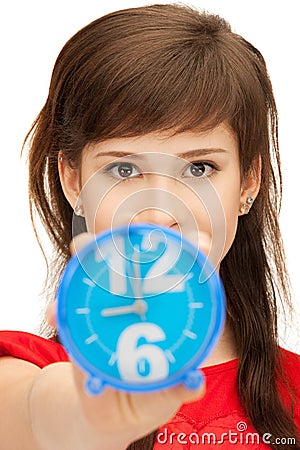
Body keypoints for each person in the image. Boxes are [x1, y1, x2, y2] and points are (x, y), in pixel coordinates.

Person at [0, 3, 299, 449]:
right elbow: (34, 415)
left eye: (199, 168)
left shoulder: (292, 392)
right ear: (72, 179)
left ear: (248, 182)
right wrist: (85, 417)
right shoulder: (25, 369)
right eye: (123, 170)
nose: (159, 214)